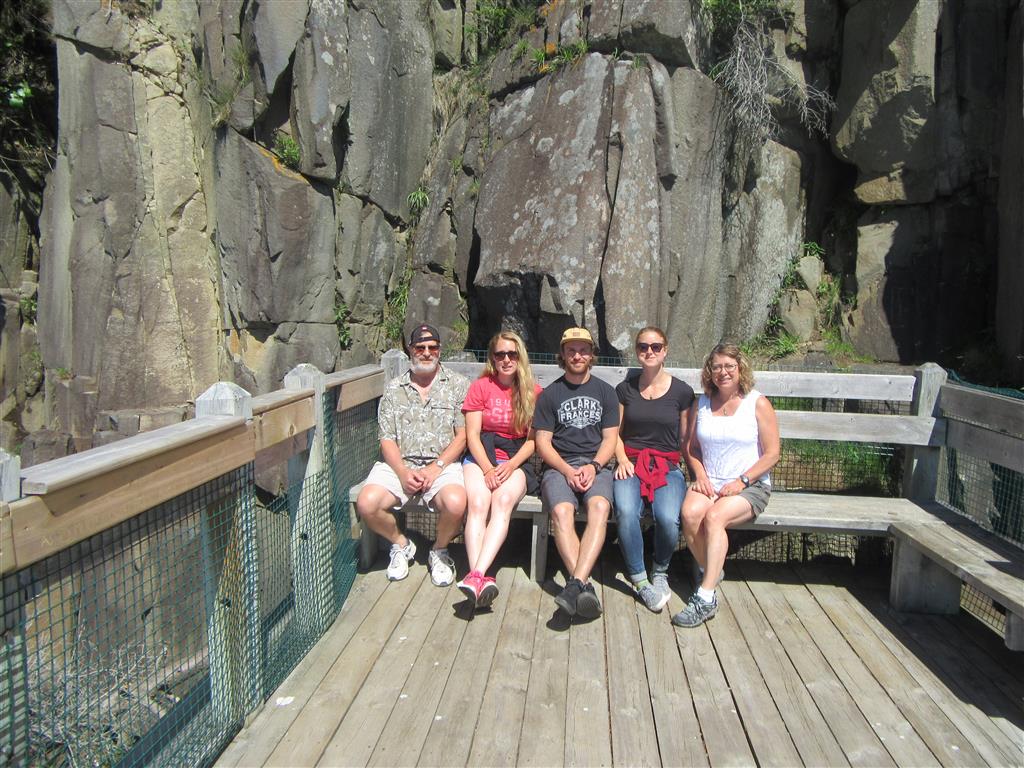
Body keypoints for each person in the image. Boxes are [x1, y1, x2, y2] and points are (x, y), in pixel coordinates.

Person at [356, 323, 470, 586]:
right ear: (410, 349)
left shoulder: (458, 385)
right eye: (420, 348)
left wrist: (436, 467)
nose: (427, 353)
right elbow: (387, 438)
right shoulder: (393, 388)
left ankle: (439, 550)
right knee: (366, 504)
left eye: (433, 347)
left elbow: (463, 436)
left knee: (456, 503)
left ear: (440, 350)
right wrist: (402, 472)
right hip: (399, 463)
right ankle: (401, 544)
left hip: (443, 465)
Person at [675, 343, 780, 627]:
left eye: (729, 366)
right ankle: (712, 570)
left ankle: (705, 596)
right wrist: (699, 475)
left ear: (740, 369)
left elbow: (772, 454)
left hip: (750, 486)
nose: (723, 372)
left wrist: (742, 481)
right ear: (709, 372)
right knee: (689, 514)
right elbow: (690, 447)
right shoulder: (702, 403)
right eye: (717, 367)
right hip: (711, 481)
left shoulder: (757, 403)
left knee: (714, 517)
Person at [533, 327, 619, 619]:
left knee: (599, 507)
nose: (577, 355)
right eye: (571, 350)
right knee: (561, 511)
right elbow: (542, 443)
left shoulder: (606, 392)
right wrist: (567, 470)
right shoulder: (550, 395)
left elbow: (610, 439)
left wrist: (594, 467)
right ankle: (584, 585)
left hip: (597, 465)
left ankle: (574, 586)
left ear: (591, 354)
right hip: (559, 465)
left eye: (583, 350)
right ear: (563, 354)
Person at [456, 331, 542, 608]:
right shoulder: (481, 387)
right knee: (478, 503)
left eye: (512, 354)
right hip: (481, 456)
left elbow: (533, 442)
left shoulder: (533, 392)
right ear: (492, 358)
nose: (506, 359)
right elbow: (472, 436)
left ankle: (475, 576)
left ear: (520, 357)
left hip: (516, 459)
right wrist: (488, 469)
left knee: (503, 501)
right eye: (500, 354)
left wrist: (510, 466)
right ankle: (479, 575)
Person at [613, 327, 694, 612]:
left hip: (667, 466)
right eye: (643, 347)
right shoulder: (625, 390)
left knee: (668, 517)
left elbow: (686, 440)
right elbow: (614, 433)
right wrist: (621, 459)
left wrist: (696, 475)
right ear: (636, 351)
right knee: (625, 511)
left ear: (665, 350)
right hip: (631, 464)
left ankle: (660, 571)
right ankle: (639, 579)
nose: (649, 351)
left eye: (656, 347)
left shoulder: (682, 392)